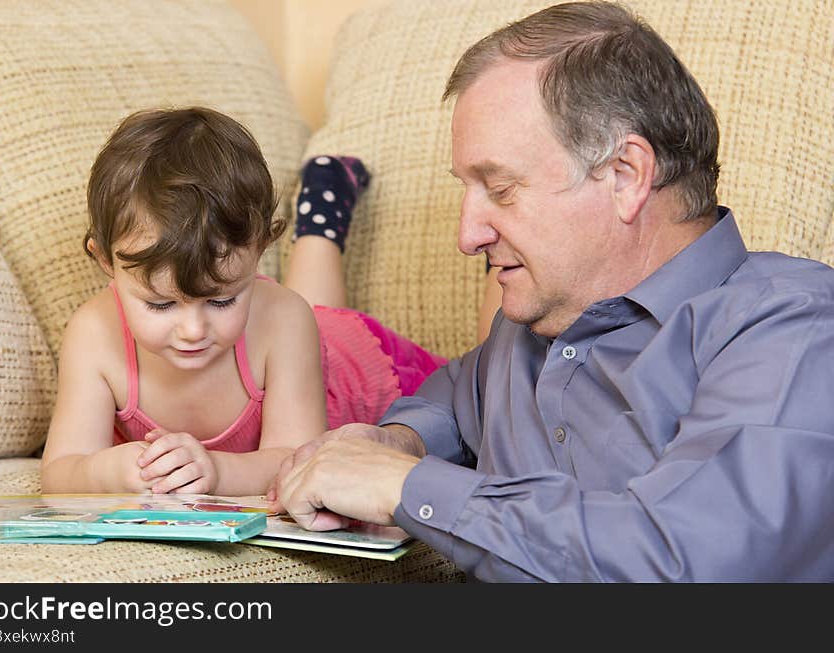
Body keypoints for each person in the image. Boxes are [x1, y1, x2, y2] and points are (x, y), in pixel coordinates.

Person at [272, 1, 834, 581]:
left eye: (501, 188)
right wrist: (399, 440)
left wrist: (402, 485)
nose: (468, 237)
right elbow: (458, 398)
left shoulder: (795, 329)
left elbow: (686, 563)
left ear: (625, 176)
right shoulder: (532, 323)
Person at [41, 106, 468, 496]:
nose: (193, 330)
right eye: (160, 305)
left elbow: (299, 459)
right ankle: (324, 197)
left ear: (260, 250)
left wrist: (217, 474)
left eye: (222, 300)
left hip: (350, 366)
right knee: (305, 308)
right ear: (105, 261)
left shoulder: (284, 319)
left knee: (486, 389)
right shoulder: (94, 333)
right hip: (294, 331)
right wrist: (107, 472)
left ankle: (498, 251)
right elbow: (60, 473)